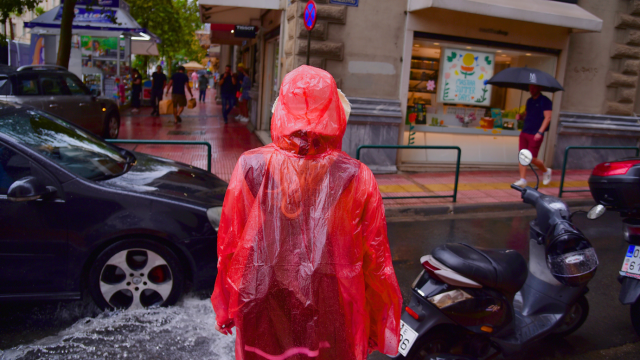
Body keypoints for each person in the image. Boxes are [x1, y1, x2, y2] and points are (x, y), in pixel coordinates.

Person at [212, 65, 402, 360]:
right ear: (335, 111)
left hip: (262, 299)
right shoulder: (357, 176)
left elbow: (231, 247)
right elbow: (376, 263)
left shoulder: (251, 166)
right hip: (333, 308)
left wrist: (226, 304)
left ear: (282, 108)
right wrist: (377, 326)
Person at [514, 84, 553, 187]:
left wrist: (540, 132)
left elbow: (548, 118)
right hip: (525, 131)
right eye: (530, 87)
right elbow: (528, 114)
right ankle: (522, 179)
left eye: (534, 87)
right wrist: (521, 117)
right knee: (522, 156)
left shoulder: (545, 101)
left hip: (535, 133)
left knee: (532, 158)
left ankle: (546, 171)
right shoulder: (529, 101)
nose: (531, 89)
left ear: (539, 88)